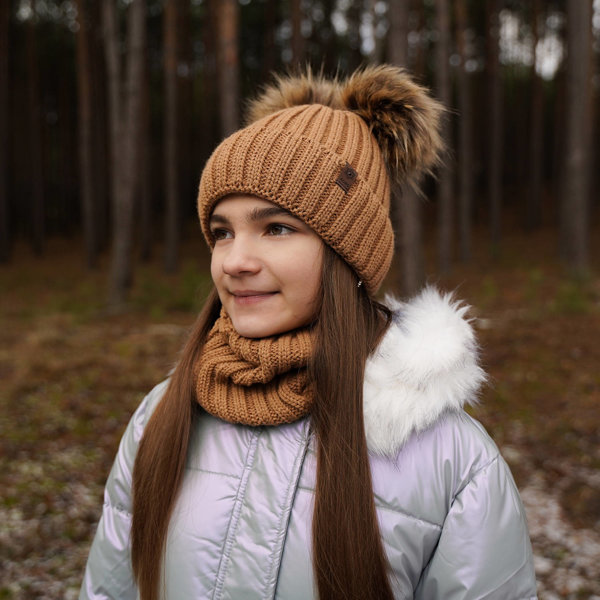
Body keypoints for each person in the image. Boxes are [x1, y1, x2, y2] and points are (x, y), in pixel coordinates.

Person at [80, 65, 537, 600]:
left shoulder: (451, 463)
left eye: (276, 228)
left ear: (349, 253)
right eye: (222, 232)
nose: (235, 261)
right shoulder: (162, 416)